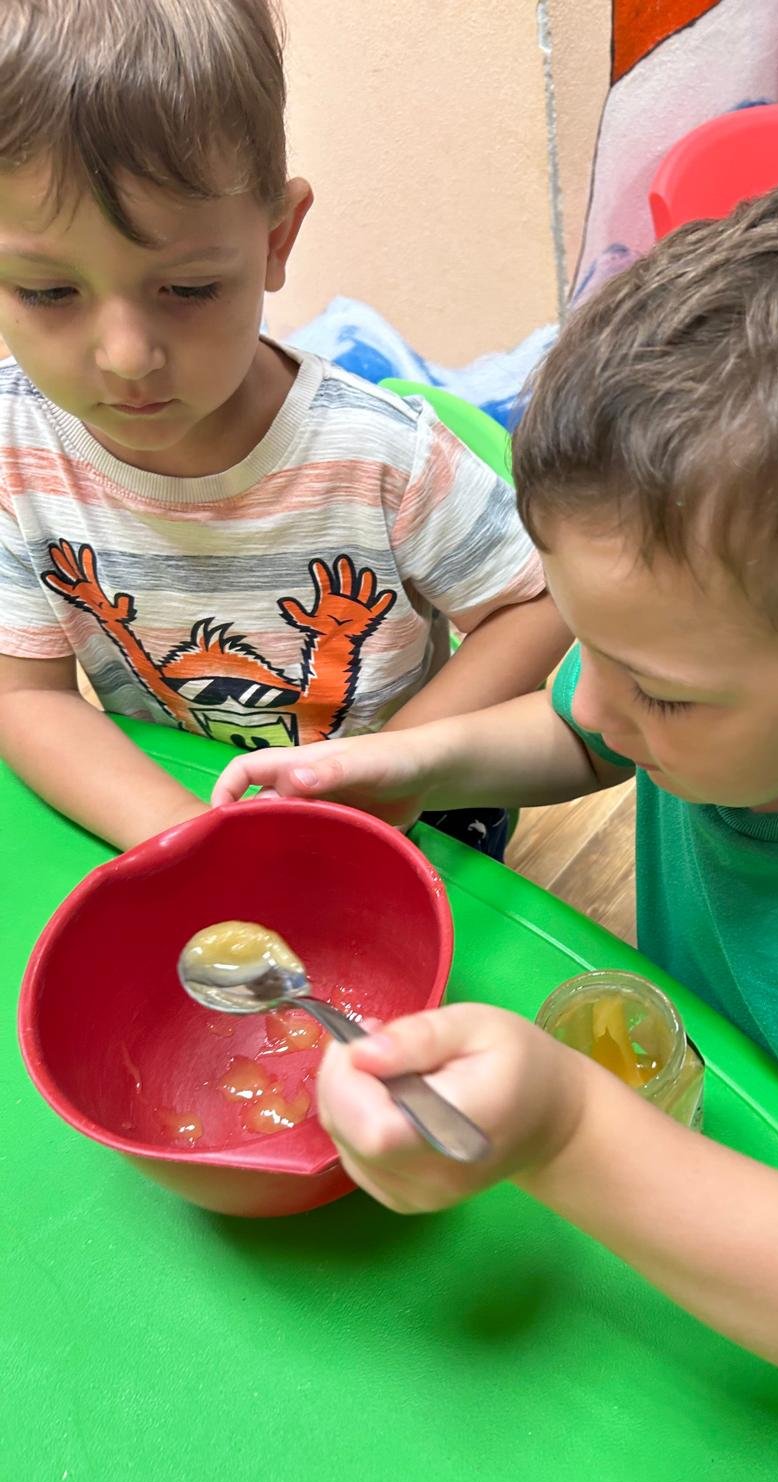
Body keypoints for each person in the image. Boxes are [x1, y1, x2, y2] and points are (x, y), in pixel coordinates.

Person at [215, 172, 778, 1407]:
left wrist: (566, 1128)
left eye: (662, 696)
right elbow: (580, 737)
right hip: (700, 1137)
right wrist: (403, 762)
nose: (604, 702)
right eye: (588, 644)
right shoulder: (741, 682)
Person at [0, 0, 568, 857]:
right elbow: (27, 696)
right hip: (179, 795)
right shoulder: (15, 448)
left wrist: (395, 765)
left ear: (276, 239)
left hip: (415, 816)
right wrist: (197, 843)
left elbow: (539, 601)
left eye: (188, 288)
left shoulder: (380, 457)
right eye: (48, 292)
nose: (126, 357)